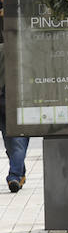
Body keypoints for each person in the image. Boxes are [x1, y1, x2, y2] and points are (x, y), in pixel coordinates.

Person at [0, 42, 28, 192]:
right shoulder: (17, 49)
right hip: (14, 99)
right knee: (17, 140)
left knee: (11, 142)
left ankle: (18, 175)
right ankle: (16, 175)